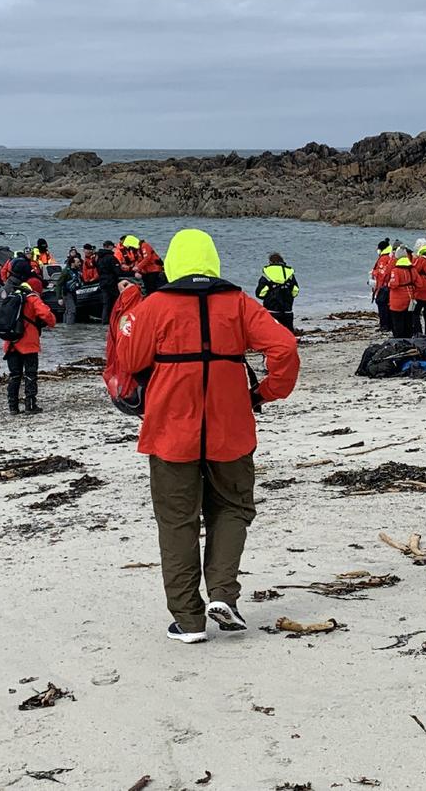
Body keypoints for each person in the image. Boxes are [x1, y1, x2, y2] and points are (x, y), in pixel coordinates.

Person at [116, 228, 300, 644]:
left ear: (173, 263)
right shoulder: (237, 303)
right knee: (232, 509)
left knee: (178, 522)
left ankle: (189, 619)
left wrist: (129, 308)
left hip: (170, 433)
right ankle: (223, 595)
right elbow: (284, 347)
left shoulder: (155, 305)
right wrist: (266, 392)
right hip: (230, 429)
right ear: (212, 260)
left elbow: (129, 360)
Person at [3, 281, 56, 415]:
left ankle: (13, 407)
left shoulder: (10, 299)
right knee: (30, 374)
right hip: (28, 343)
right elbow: (47, 315)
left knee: (14, 376)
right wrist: (51, 323)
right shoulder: (32, 299)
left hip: (11, 343)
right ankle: (30, 405)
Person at [255, 252, 300, 332]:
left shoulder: (267, 274)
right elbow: (295, 291)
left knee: (271, 333)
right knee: (288, 334)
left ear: (270, 262)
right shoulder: (289, 273)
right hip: (287, 310)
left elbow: (260, 293)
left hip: (271, 310)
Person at [387, 245, 418, 339]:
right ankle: (408, 339)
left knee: (397, 321)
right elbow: (419, 283)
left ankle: (398, 339)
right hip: (410, 298)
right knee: (408, 320)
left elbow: (394, 284)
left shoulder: (395, 270)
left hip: (397, 300)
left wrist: (389, 284)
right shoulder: (412, 269)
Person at [370, 240, 394, 333]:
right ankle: (388, 325)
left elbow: (382, 273)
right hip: (388, 286)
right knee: (387, 305)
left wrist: (373, 273)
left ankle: (384, 325)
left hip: (383, 286)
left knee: (382, 304)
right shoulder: (390, 256)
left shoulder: (384, 258)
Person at [95, 241, 122, 324]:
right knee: (116, 301)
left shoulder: (98, 257)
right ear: (109, 247)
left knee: (106, 303)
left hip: (102, 282)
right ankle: (114, 320)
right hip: (111, 282)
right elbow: (117, 271)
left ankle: (105, 321)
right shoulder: (111, 257)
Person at [56, 254, 83, 325]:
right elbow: (59, 284)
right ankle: (70, 328)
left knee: (68, 310)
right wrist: (59, 298)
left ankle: (65, 325)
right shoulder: (66, 272)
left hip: (73, 292)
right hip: (66, 293)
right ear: (72, 263)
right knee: (72, 310)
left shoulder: (77, 271)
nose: (80, 264)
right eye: (78, 262)